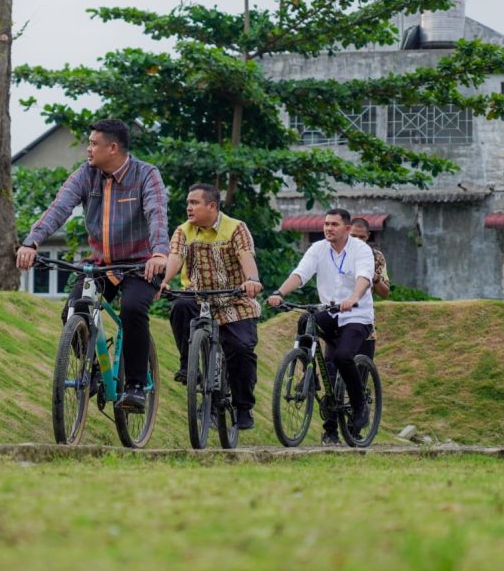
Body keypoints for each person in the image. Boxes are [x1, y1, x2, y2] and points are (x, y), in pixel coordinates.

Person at [15, 119, 169, 412]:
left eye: (93, 143)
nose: (88, 149)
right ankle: (95, 370)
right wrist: (32, 241)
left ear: (112, 148)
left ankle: (136, 386)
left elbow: (156, 215)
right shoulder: (86, 175)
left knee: (133, 309)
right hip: (100, 265)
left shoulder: (146, 175)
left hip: (140, 266)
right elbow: (59, 208)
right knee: (74, 309)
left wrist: (159, 254)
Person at [267, 208, 374, 445]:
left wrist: (354, 297)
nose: (328, 228)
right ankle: (308, 373)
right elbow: (300, 274)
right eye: (326, 224)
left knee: (344, 356)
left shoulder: (361, 250)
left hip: (356, 315)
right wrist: (280, 292)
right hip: (329, 312)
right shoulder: (318, 249)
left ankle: (359, 406)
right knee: (306, 320)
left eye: (334, 224)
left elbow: (364, 278)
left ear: (347, 229)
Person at [160, 184, 262, 430]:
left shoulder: (235, 228)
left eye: (194, 202)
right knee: (180, 306)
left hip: (233, 299)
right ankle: (188, 365)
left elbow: (246, 255)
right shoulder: (184, 231)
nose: (189, 207)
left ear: (212, 206)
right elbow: (175, 256)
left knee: (241, 349)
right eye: (188, 202)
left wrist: (252, 280)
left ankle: (243, 406)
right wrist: (164, 281)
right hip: (198, 297)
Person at [349, 217, 389, 359]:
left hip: (364, 322)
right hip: (339, 320)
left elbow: (385, 292)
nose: (358, 240)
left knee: (361, 374)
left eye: (362, 237)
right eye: (353, 236)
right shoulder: (338, 253)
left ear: (368, 237)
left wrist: (374, 276)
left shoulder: (376, 257)